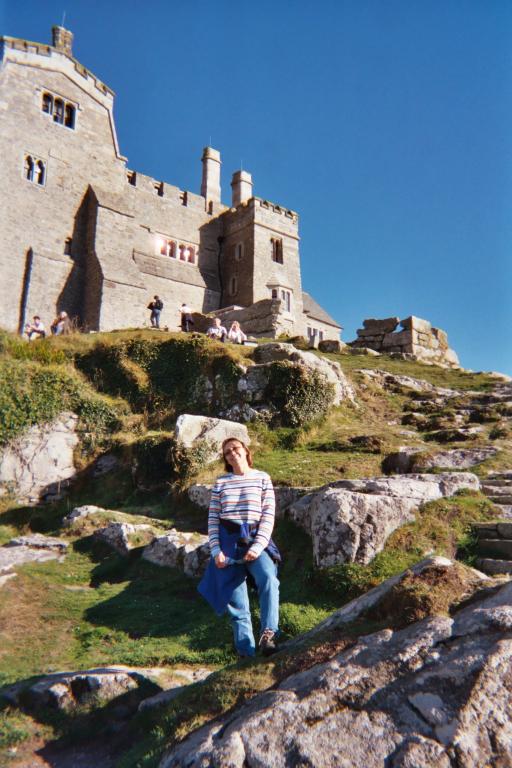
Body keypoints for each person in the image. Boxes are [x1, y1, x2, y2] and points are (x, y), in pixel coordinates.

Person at [198, 437, 280, 657]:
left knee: (269, 579)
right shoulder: (221, 483)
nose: (232, 453)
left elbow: (268, 515)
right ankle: (246, 655)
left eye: (235, 448)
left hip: (255, 539)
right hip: (227, 543)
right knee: (237, 605)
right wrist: (216, 552)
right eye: (227, 452)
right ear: (225, 458)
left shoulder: (263, 478)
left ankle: (268, 635)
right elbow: (213, 520)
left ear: (245, 450)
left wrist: (258, 545)